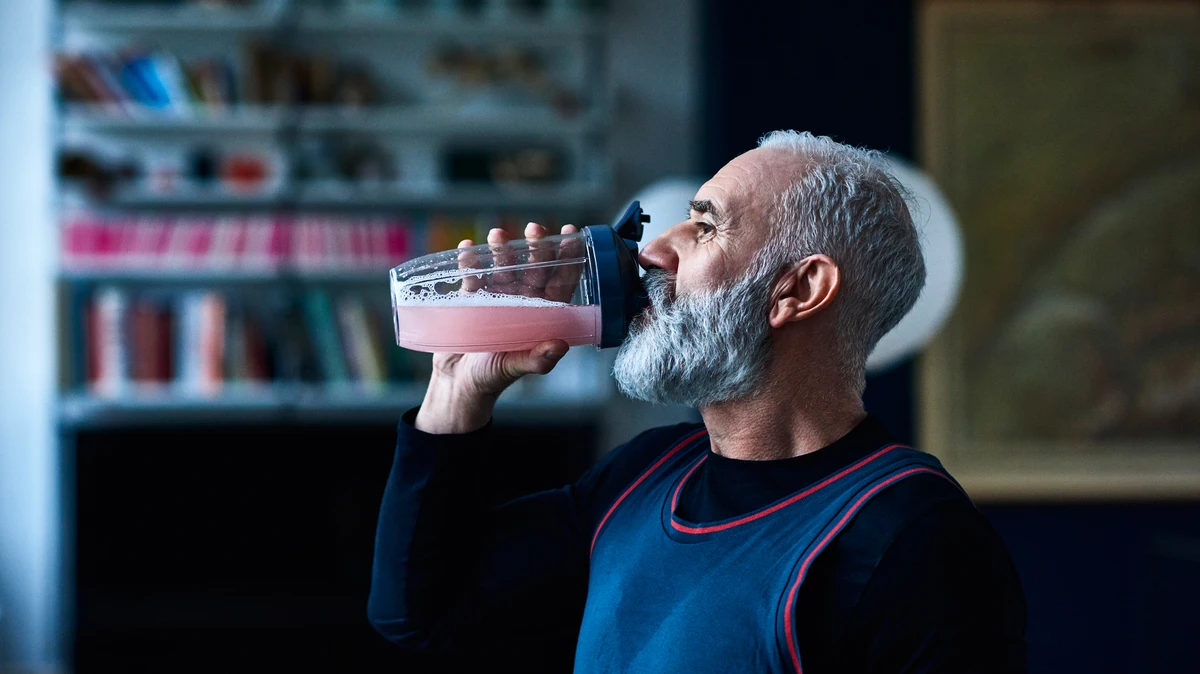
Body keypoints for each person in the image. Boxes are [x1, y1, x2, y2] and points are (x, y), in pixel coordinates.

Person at [368, 131, 1028, 673]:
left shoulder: (914, 542)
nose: (654, 250)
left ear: (797, 290)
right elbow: (422, 615)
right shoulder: (644, 476)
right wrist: (458, 391)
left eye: (705, 227)